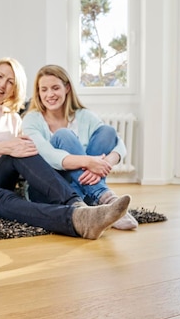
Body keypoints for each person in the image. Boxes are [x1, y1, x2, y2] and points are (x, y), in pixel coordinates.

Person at [0, 57, 131, 240]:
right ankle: (77, 218)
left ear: (15, 89)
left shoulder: (13, 118)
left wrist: (15, 150)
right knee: (8, 198)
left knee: (24, 149)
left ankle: (76, 204)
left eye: (11, 82)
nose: (3, 84)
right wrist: (7, 147)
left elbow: (21, 156)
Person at [22, 64, 138, 230]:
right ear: (38, 93)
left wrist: (106, 163)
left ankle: (94, 200)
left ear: (67, 88)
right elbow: (49, 156)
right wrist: (89, 162)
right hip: (49, 189)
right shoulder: (31, 120)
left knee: (107, 131)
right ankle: (105, 197)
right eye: (44, 89)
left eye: (55, 88)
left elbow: (119, 144)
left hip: (82, 188)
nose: (50, 94)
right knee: (64, 135)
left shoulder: (84, 116)